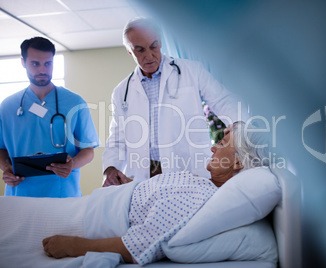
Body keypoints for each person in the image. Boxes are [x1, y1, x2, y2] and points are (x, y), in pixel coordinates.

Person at [42, 122, 270, 265]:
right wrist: (130, 185)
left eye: (221, 142)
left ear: (238, 162)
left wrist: (73, 246)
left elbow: (137, 246)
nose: (213, 147)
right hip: (96, 204)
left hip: (82, 218)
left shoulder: (201, 197)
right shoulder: (202, 185)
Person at [102, 17, 249, 186]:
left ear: (161, 43)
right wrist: (110, 168)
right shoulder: (122, 92)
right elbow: (117, 138)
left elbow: (223, 100)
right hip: (145, 176)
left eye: (153, 46)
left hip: (188, 169)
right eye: (140, 50)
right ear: (129, 51)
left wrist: (238, 124)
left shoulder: (192, 71)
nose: (149, 56)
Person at [0, 37, 100, 197]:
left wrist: (72, 164)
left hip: (62, 194)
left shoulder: (75, 102)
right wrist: (6, 169)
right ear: (23, 62)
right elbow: (1, 149)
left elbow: (88, 150)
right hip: (20, 194)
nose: (42, 70)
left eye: (48, 63)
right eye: (35, 64)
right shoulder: (7, 106)